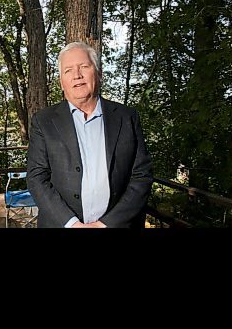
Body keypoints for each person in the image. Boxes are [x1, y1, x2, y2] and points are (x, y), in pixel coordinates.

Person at [27, 42, 153, 228]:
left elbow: (142, 176)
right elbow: (36, 178)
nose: (77, 75)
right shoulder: (44, 121)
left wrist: (105, 224)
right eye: (68, 70)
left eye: (84, 67)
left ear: (99, 73)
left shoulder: (126, 117)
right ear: (62, 82)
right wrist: (72, 224)